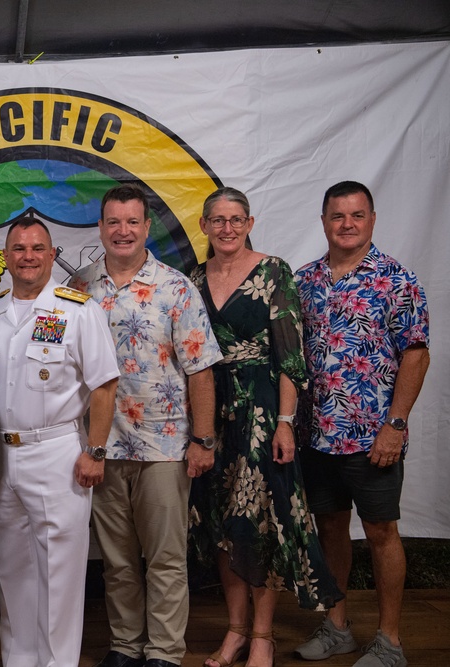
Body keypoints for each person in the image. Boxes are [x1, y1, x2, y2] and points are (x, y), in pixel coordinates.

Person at [67, 184, 221, 667]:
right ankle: (125, 645)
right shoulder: (79, 286)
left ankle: (165, 652)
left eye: (132, 221)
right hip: (100, 446)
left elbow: (200, 368)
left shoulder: (176, 287)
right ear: (101, 226)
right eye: (114, 221)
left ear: (147, 227)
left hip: (164, 445)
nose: (123, 230)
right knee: (116, 561)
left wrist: (202, 439)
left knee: (166, 559)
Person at [187, 187, 341, 667]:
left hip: (262, 411)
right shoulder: (192, 279)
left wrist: (286, 423)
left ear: (249, 223)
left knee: (262, 524)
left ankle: (262, 636)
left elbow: (290, 356)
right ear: (205, 226)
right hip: (211, 413)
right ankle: (234, 631)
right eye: (218, 219)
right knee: (222, 525)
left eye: (236, 219)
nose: (227, 228)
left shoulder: (274, 271)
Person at [295, 181, 429, 667]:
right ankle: (337, 627)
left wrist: (395, 424)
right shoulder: (304, 281)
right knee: (330, 527)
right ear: (324, 220)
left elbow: (416, 355)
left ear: (372, 219)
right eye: (337, 216)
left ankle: (390, 641)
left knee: (380, 532)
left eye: (356, 215)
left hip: (373, 434)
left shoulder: (397, 279)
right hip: (317, 434)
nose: (346, 224)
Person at [0, 216, 120, 667]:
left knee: (60, 576)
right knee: (13, 572)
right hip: (3, 455)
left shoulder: (77, 310)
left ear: (51, 253)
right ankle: (19, 660)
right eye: (18, 249)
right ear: (6, 256)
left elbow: (104, 386)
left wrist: (95, 451)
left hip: (58, 451)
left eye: (37, 248)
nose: (28, 257)